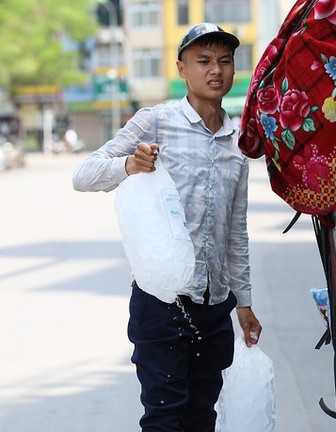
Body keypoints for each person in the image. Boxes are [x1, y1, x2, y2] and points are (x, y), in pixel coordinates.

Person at [72, 23, 262, 431]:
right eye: (204, 61)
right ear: (182, 68)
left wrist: (243, 303)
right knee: (164, 417)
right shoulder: (155, 122)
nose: (216, 70)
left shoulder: (237, 142)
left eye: (225, 62)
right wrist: (129, 165)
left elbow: (235, 232)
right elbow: (84, 174)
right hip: (161, 302)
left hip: (215, 307)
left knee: (201, 418)